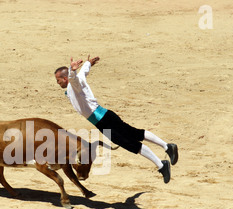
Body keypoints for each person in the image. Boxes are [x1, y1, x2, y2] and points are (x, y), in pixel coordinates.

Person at [54, 55, 178, 183]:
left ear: (65, 78)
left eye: (58, 80)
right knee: (134, 133)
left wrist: (72, 70)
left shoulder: (73, 84)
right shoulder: (77, 80)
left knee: (130, 144)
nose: (58, 83)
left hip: (102, 120)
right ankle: (167, 146)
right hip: (105, 115)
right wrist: (88, 63)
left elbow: (73, 79)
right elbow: (83, 72)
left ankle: (162, 165)